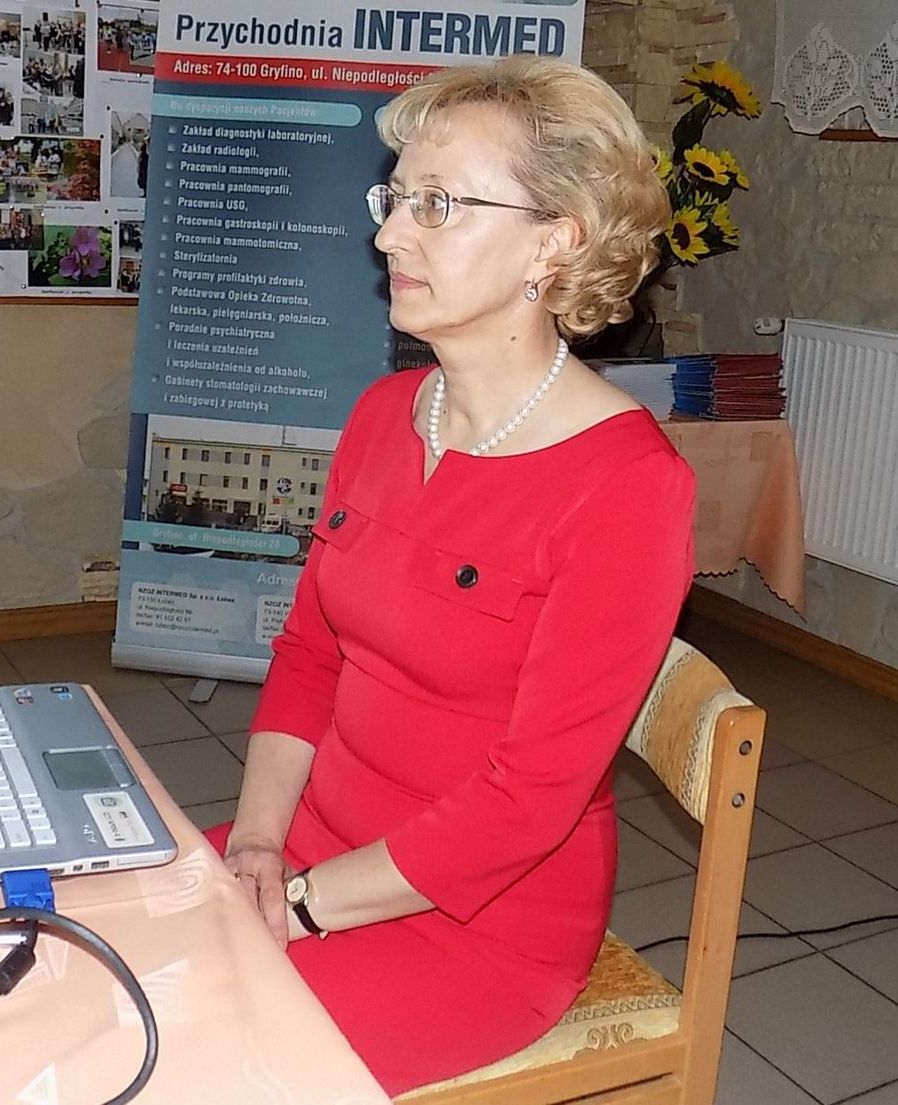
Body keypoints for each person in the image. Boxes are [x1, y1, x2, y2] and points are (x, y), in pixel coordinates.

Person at [210, 56, 692, 1095]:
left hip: (480, 921)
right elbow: (310, 656)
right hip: (310, 842)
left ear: (553, 241)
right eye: (395, 200)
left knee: (191, 1058)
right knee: (78, 955)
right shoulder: (385, 414)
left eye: (437, 205)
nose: (390, 235)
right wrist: (255, 844)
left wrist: (301, 907)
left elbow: (528, 802)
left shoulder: (628, 487)